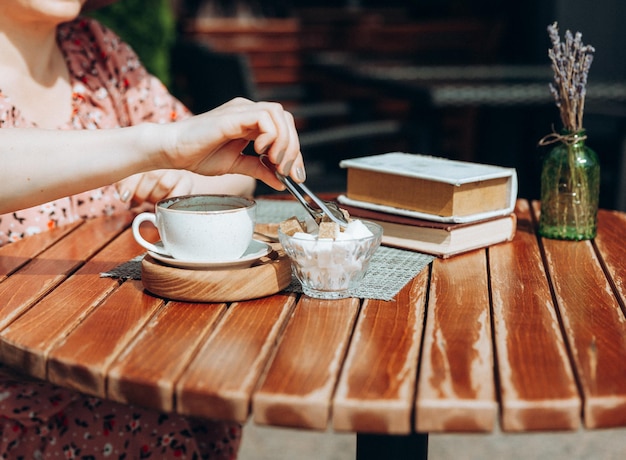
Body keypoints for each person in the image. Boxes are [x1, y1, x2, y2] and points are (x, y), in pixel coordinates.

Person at [0, 0, 306, 457]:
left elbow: (232, 168)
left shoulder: (97, 52)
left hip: (137, 367)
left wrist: (192, 176)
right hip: (26, 396)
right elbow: (173, 140)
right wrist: (159, 145)